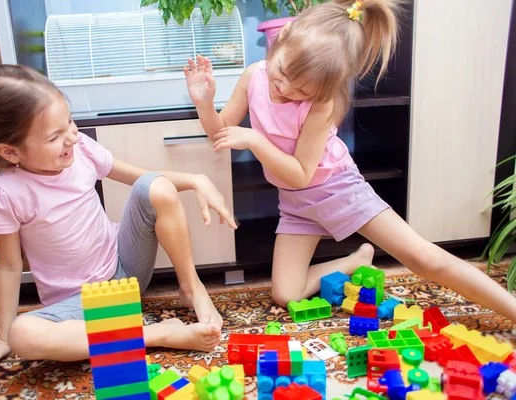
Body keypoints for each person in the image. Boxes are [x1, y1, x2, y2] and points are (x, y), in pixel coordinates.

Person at [184, 0, 516, 322]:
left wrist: (255, 140)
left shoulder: (323, 103)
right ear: (281, 37)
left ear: (325, 90)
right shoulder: (254, 76)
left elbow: (301, 172)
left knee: (423, 258)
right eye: (283, 71)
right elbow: (221, 133)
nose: (284, 89)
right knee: (285, 294)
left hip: (338, 188)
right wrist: (204, 104)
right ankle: (355, 260)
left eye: (302, 91)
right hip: (296, 202)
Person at [0, 64, 236, 370]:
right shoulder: (5, 194)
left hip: (126, 268)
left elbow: (144, 179)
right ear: (10, 152)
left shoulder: (80, 148)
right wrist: (3, 336)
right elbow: (10, 265)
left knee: (156, 186)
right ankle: (159, 334)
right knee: (22, 335)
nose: (71, 136)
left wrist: (196, 179)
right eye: (54, 136)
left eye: (69, 122)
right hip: (79, 305)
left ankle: (191, 288)